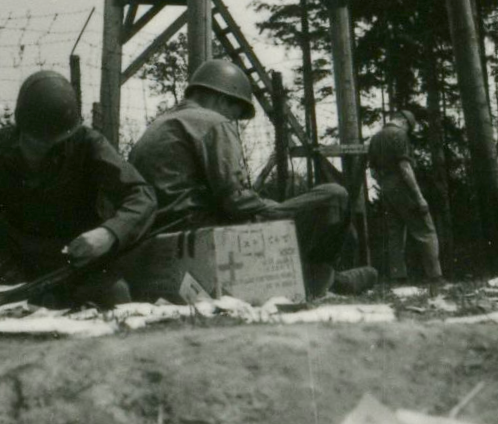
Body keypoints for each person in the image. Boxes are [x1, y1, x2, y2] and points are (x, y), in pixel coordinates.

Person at [128, 58, 377, 300]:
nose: (233, 120)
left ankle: (328, 278)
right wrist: (274, 208)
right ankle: (322, 279)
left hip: (157, 236)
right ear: (221, 97)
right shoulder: (213, 121)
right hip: (202, 228)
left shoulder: (158, 126)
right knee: (334, 196)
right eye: (234, 113)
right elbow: (235, 200)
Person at [0, 70, 155, 307]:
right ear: (20, 128)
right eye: (35, 141)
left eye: (54, 144)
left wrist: (109, 234)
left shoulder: (89, 145)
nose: (43, 150)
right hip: (7, 262)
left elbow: (142, 195)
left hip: (72, 261)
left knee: (116, 297)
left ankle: (49, 298)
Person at [367, 107, 442, 295]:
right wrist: (419, 197)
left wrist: (386, 185)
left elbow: (373, 172)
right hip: (403, 188)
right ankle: (436, 277)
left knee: (395, 234)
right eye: (410, 127)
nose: (409, 131)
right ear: (404, 122)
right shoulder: (399, 136)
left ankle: (398, 278)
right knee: (426, 230)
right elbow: (405, 168)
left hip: (386, 190)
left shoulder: (375, 139)